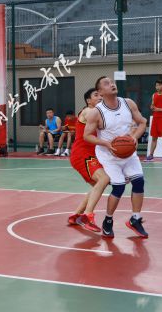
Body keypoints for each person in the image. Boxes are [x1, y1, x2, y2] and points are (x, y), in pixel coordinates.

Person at [84, 76, 149, 238]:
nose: (112, 84)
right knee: (119, 187)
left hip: (128, 152)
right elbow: (87, 135)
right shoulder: (96, 112)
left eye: (112, 82)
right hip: (109, 156)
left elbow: (142, 122)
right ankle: (108, 220)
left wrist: (134, 137)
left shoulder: (128, 103)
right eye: (107, 84)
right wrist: (105, 143)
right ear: (100, 92)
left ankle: (135, 219)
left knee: (139, 182)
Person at [68, 89, 110, 232]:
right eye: (96, 95)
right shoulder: (88, 111)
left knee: (97, 186)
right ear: (88, 101)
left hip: (90, 154)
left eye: (101, 95)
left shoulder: (98, 113)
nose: (100, 97)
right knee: (104, 179)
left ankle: (76, 215)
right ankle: (88, 216)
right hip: (82, 153)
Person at [146, 79, 162, 163]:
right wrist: (152, 107)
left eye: (159, 85)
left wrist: (158, 109)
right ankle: (151, 155)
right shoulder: (154, 95)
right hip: (155, 118)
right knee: (154, 138)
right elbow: (153, 105)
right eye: (156, 85)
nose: (157, 87)